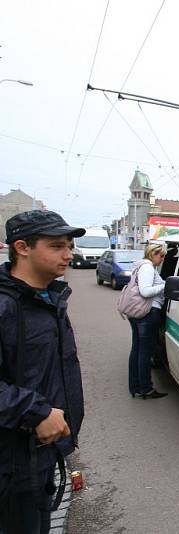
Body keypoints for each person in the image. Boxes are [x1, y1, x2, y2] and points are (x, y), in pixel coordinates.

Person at [0, 210, 85, 533]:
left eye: (69, 245)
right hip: (11, 466)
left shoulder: (48, 298)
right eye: (57, 246)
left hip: (39, 458)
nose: (68, 254)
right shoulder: (6, 305)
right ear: (22, 247)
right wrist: (36, 412)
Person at [128, 243, 168, 400]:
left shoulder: (141, 266)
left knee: (137, 350)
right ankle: (146, 388)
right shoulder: (148, 267)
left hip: (139, 313)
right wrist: (164, 286)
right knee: (144, 352)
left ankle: (135, 386)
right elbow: (145, 291)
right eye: (161, 256)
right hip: (147, 313)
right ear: (153, 254)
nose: (162, 259)